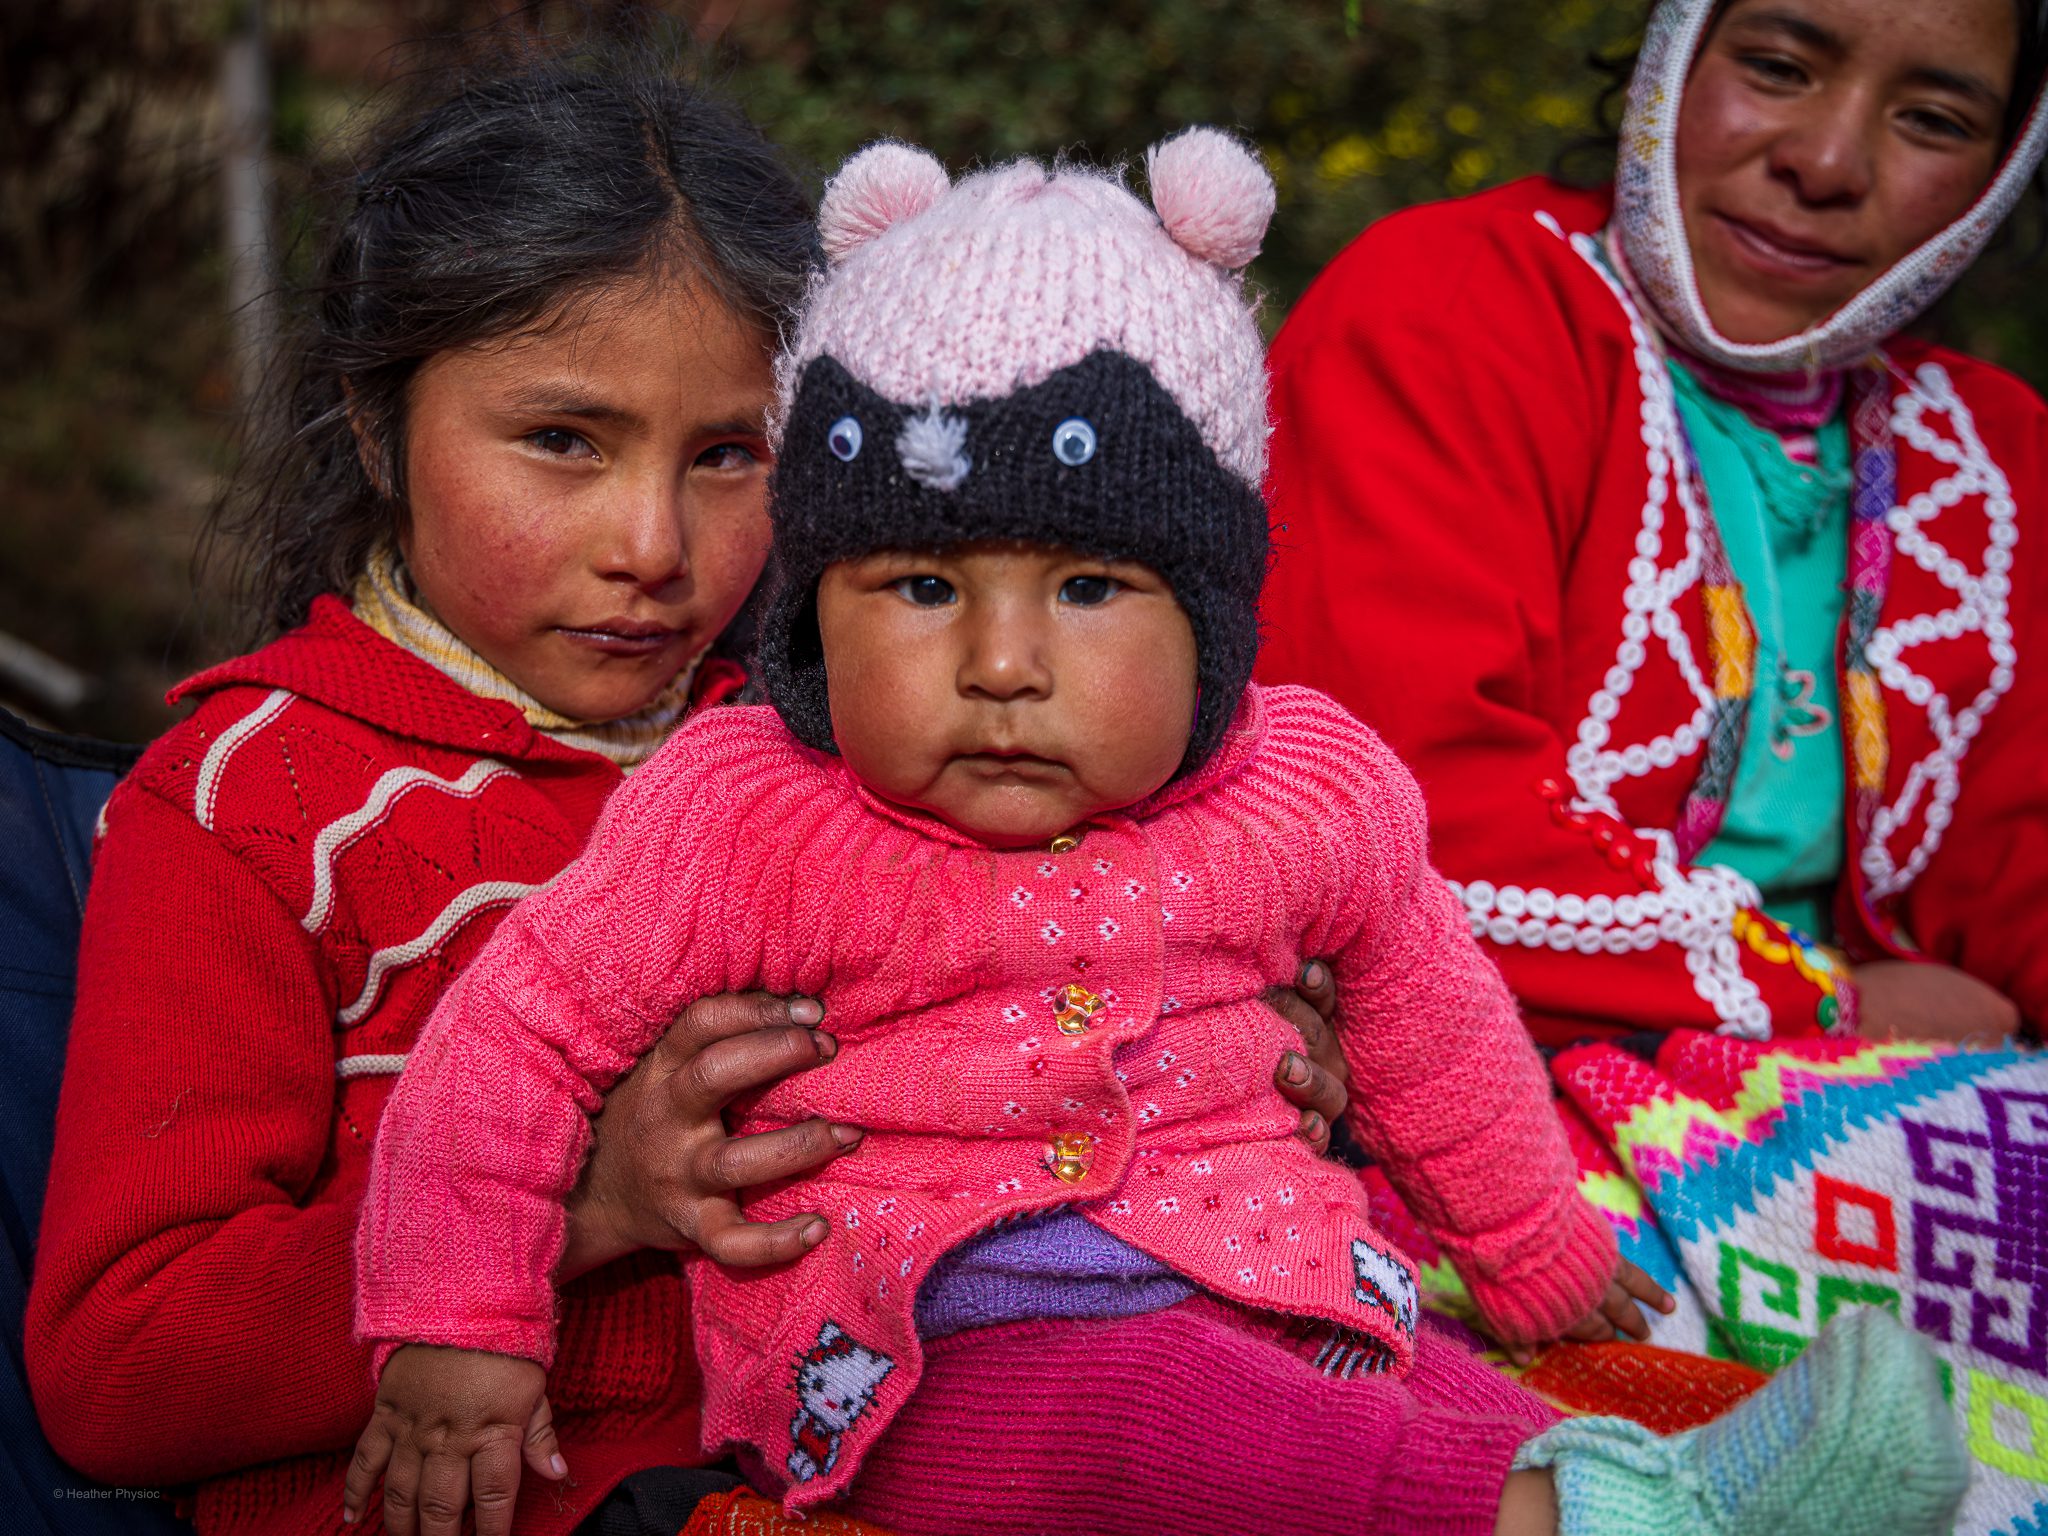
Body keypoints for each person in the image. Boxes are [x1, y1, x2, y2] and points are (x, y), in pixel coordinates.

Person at [344, 133, 1964, 1536]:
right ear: (810, 612)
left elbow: (1427, 1002)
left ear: (1207, 617)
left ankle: (1608, 1483)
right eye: (917, 588)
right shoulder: (743, 809)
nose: (998, 659)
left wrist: (1527, 1242)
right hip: (934, 1351)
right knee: (1175, 1417)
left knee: (1445, 1413)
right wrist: (459, 1323)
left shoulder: (1302, 787)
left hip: (1279, 1275)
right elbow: (518, 1035)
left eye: (1086, 588)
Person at [23, 44, 1349, 1536]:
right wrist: (579, 1210)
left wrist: (1235, 1052)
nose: (651, 543)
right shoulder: (253, 806)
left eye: (730, 455)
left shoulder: (857, 764)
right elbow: (120, 1368)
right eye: (562, 442)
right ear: (376, 424)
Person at [1259, 0, 2048, 1048]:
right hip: (1484, 1067)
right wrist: (1820, 1000)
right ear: (1670, 58)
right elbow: (1388, 813)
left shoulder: (1990, 453)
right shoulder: (1441, 313)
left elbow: (2016, 861)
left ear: (1997, 175)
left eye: (1932, 123)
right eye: (1775, 67)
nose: (1824, 163)